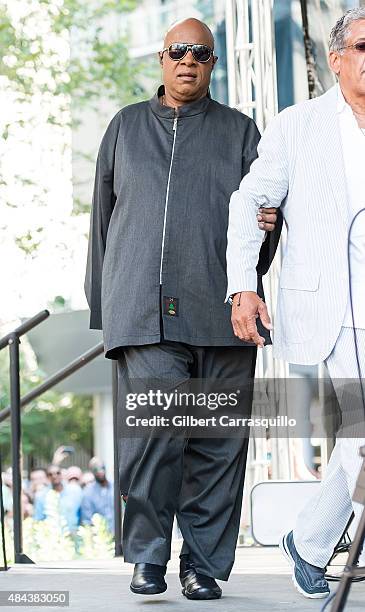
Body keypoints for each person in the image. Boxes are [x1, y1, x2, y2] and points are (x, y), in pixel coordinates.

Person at [84, 17, 281, 600]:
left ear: (213, 63)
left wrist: (263, 243)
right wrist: (107, 309)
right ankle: (147, 555)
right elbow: (101, 221)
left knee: (217, 444)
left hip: (222, 312)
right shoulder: (124, 127)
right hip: (144, 311)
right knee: (155, 435)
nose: (187, 60)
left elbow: (266, 219)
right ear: (162, 60)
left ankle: (203, 565)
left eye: (199, 53)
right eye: (177, 51)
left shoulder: (242, 132)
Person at [225, 7, 365, 600]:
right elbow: (249, 201)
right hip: (333, 309)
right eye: (364, 46)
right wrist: (245, 286)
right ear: (335, 60)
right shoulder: (297, 124)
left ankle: (309, 541)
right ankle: (313, 543)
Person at [33, 464, 82, 534]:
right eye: (50, 474)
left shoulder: (75, 491)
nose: (54, 476)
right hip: (52, 538)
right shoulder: (41, 496)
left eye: (57, 473)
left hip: (73, 536)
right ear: (47, 477)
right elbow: (38, 520)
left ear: (62, 474)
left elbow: (81, 514)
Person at [80, 458, 114, 534]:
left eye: (102, 468)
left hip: (119, 535)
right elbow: (87, 520)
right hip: (100, 539)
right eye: (96, 469)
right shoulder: (87, 492)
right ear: (92, 471)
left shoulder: (116, 487)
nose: (100, 471)